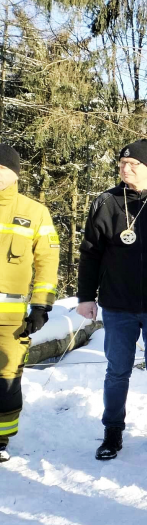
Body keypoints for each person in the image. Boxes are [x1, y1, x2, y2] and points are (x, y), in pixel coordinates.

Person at [77, 139, 147, 460]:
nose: (125, 169)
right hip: (118, 305)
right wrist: (86, 296)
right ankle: (112, 432)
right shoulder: (105, 203)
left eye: (133, 164)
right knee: (117, 371)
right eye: (122, 164)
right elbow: (90, 254)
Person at [0, 144, 59, 463]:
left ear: (15, 173)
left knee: (7, 376)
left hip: (11, 317)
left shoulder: (34, 212)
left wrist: (41, 306)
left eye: (3, 168)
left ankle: (1, 438)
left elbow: (48, 261)